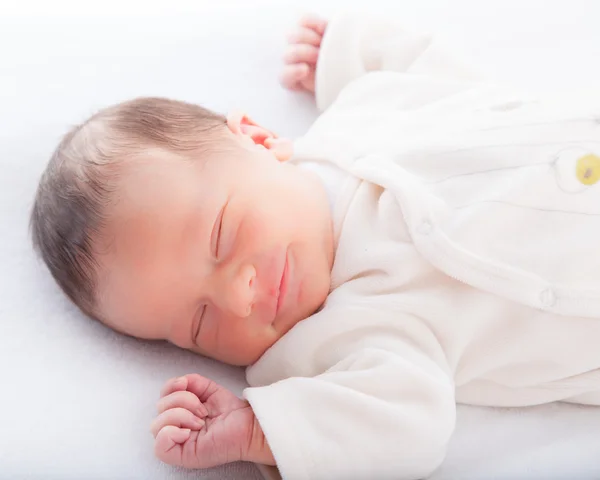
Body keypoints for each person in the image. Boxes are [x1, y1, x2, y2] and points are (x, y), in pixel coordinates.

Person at [30, 11, 600, 480]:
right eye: (200, 324)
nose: (239, 296)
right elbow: (408, 427)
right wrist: (262, 431)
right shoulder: (339, 340)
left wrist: (348, 51)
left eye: (221, 237)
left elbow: (444, 83)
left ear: (256, 137)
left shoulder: (357, 119)